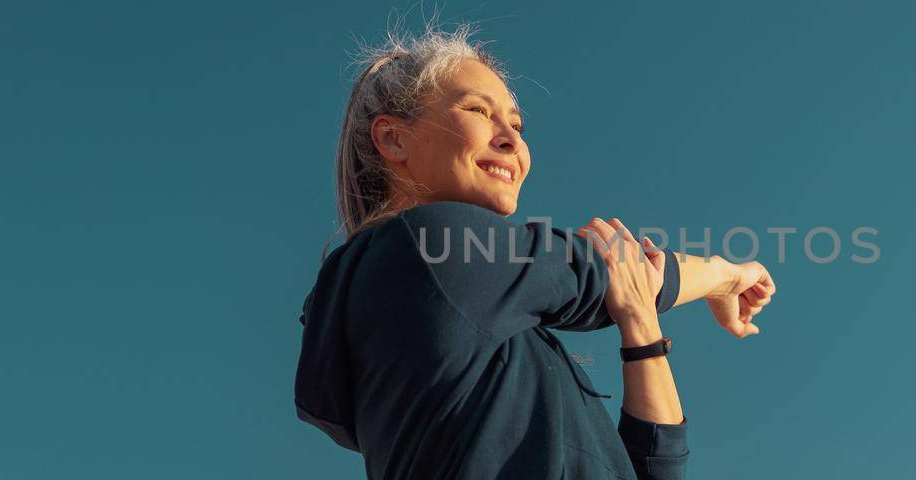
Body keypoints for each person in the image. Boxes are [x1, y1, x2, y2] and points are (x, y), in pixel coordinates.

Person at [294, 24, 776, 479]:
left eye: (517, 125)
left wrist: (642, 328)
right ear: (393, 138)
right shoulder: (425, 248)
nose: (511, 139)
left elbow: (652, 469)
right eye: (479, 111)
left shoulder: (488, 328)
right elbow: (603, 270)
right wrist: (725, 275)